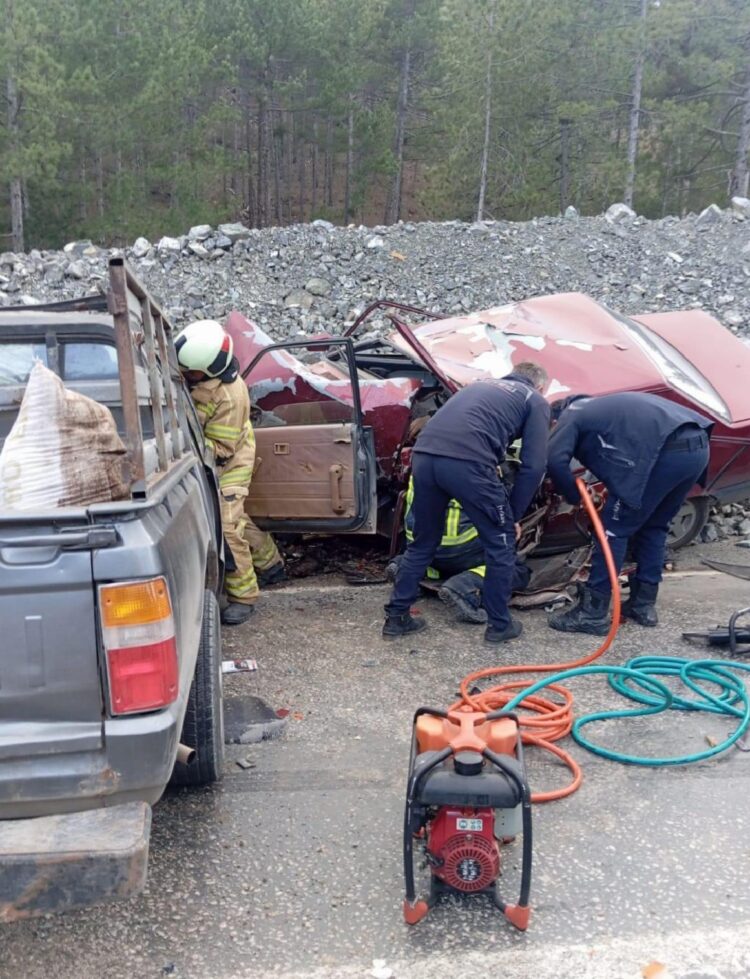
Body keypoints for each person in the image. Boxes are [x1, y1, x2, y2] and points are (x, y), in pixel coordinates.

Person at [383, 362, 550, 643]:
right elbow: (534, 466)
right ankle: (500, 625)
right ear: (541, 386)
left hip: (424, 457)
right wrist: (513, 516)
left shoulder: (477, 387)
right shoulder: (533, 399)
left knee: (423, 543)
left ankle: (396, 618)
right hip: (468, 463)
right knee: (501, 543)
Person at [546, 392, 712, 634]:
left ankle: (592, 614)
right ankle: (643, 605)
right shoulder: (604, 408)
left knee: (613, 531)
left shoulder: (572, 414)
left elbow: (554, 460)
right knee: (655, 526)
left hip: (664, 456)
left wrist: (574, 497)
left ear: (555, 420)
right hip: (698, 449)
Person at [174, 319, 284, 626]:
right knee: (238, 518)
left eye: (190, 372)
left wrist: (183, 441)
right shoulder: (200, 372)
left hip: (230, 463)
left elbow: (222, 449)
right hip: (216, 458)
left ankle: (244, 597)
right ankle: (272, 565)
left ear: (209, 369)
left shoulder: (230, 396)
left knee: (226, 526)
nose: (185, 375)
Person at [387, 476, 532, 623]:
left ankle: (405, 568)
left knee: (422, 558)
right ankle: (465, 586)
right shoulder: (478, 466)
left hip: (421, 547)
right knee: (515, 569)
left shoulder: (420, 461)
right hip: (460, 548)